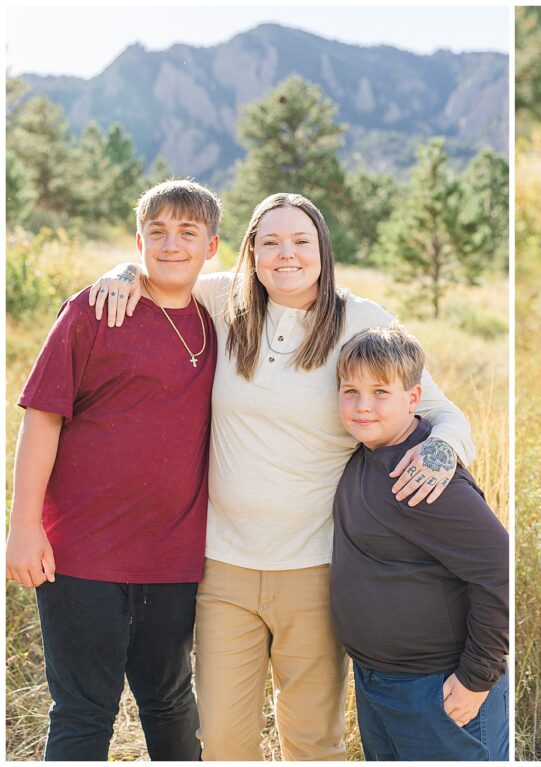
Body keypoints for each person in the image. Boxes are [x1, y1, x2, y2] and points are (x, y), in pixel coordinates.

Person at [86, 192, 475, 760]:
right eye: (270, 242)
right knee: (221, 742)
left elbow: (443, 412)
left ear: (322, 249)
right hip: (223, 571)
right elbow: (166, 269)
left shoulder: (361, 320)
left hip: (317, 570)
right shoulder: (223, 301)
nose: (285, 254)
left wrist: (441, 452)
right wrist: (123, 270)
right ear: (251, 251)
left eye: (300, 241)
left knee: (314, 742)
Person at [6, 180, 222, 760]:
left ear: (213, 246)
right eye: (157, 233)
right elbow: (43, 418)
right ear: (138, 240)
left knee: (171, 703)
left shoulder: (222, 322)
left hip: (174, 558)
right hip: (80, 554)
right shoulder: (94, 310)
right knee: (82, 710)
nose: (171, 245)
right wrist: (23, 525)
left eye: (187, 233)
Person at [331, 326, 509, 760]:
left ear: (413, 398)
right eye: (350, 391)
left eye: (380, 392)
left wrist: (475, 679)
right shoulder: (363, 456)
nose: (363, 406)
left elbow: (500, 570)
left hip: (438, 690)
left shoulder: (425, 478)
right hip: (378, 683)